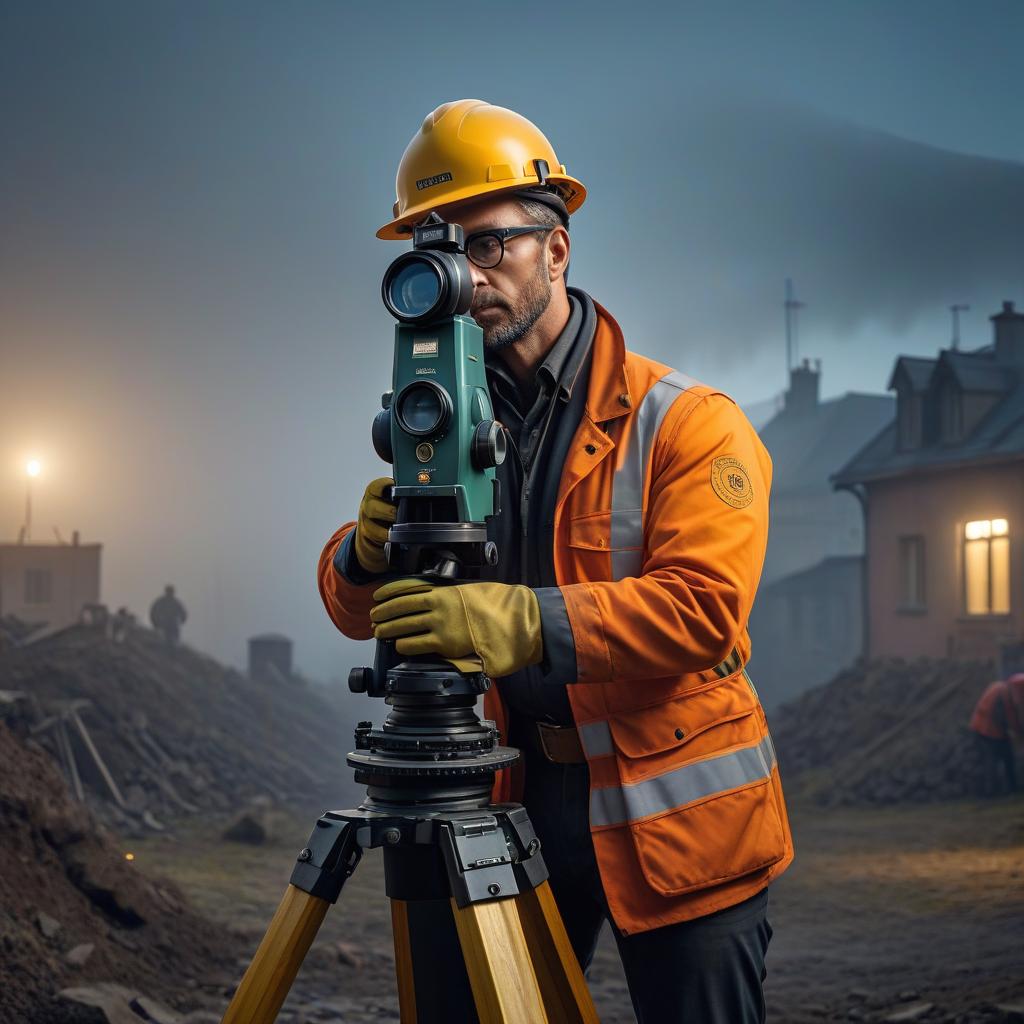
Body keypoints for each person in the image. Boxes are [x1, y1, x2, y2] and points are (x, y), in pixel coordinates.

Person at [318, 99, 793, 1023]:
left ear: (557, 250)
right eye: (441, 248)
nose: (466, 273)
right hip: (509, 801)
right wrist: (364, 555)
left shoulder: (687, 422)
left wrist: (523, 620)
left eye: (490, 244)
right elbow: (366, 609)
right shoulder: (444, 412)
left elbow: (705, 612)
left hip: (677, 814)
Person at [969, 675, 1023, 795]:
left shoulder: (1000, 688)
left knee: (1006, 759)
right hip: (987, 732)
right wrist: (1015, 732)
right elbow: (1005, 717)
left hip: (988, 730)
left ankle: (1011, 788)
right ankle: (992, 792)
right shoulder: (1003, 695)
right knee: (992, 762)